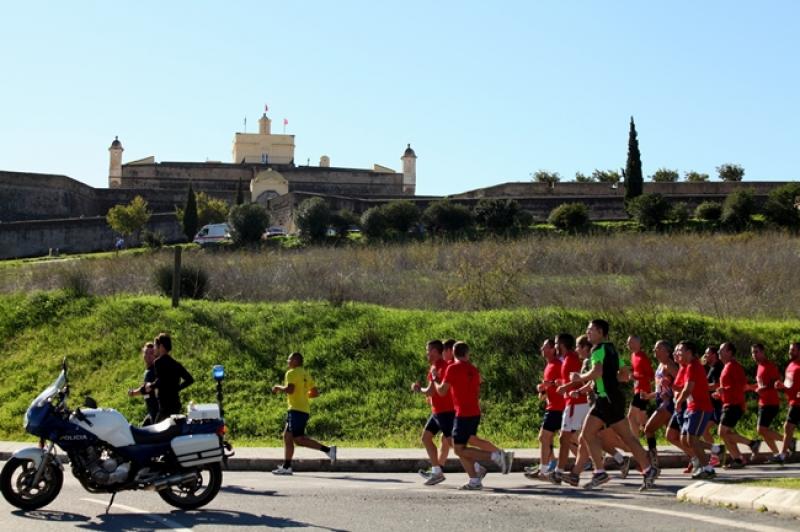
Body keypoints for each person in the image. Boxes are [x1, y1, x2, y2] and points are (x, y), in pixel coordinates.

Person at [564, 319, 657, 490]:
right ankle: (647, 469)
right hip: (612, 398)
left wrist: (580, 378)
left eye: (590, 330)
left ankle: (600, 472)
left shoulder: (597, 350)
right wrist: (609, 379)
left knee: (588, 435)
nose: (588, 332)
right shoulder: (611, 349)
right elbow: (625, 374)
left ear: (600, 332)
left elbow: (597, 371)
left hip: (605, 399)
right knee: (625, 437)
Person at [433, 341, 513, 490]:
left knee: (458, 449)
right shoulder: (474, 369)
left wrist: (436, 379)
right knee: (468, 443)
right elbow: (479, 387)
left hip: (462, 414)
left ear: (453, 352)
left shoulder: (452, 368)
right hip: (474, 412)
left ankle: (497, 457)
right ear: (467, 354)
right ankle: (475, 479)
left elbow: (442, 392)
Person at [271, 352, 336, 475]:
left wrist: (278, 387)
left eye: (289, 359)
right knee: (287, 436)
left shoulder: (291, 373)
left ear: (295, 361)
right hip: (302, 409)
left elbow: (290, 389)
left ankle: (328, 450)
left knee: (298, 439)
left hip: (296, 410)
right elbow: (315, 392)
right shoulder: (305, 373)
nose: (287, 361)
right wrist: (303, 395)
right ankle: (286, 466)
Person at [549, 334, 591, 484]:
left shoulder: (571, 359)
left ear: (561, 344)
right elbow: (571, 380)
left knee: (566, 438)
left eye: (555, 344)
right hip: (573, 402)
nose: (554, 347)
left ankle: (559, 472)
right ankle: (619, 459)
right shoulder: (568, 358)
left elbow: (578, 380)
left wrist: (564, 387)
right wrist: (561, 383)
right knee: (585, 438)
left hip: (576, 403)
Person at [411, 340, 454, 486]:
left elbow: (442, 389)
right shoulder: (433, 367)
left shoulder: (445, 367)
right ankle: (437, 471)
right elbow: (430, 391)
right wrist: (419, 389)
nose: (426, 354)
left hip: (446, 411)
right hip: (437, 412)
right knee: (426, 438)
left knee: (455, 444)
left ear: (435, 352)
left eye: (428, 351)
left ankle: (477, 468)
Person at [674, 341, 716, 480]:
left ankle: (707, 469)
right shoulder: (688, 367)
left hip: (700, 407)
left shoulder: (693, 366)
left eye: (680, 350)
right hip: (692, 407)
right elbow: (683, 387)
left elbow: (688, 389)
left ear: (689, 352)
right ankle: (715, 451)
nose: (678, 353)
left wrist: (679, 401)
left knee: (692, 439)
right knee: (686, 439)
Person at [525, 338, 564, 480]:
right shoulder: (549, 365)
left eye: (545, 346)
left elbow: (565, 381)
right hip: (552, 406)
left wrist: (550, 385)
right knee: (550, 438)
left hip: (558, 407)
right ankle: (548, 466)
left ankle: (545, 470)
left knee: (545, 437)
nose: (542, 348)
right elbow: (549, 385)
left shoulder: (559, 364)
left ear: (553, 349)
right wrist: (542, 390)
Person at [715, 341, 754, 468]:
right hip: (727, 403)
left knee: (722, 432)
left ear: (730, 352)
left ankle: (751, 443)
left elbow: (741, 385)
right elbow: (728, 387)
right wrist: (720, 394)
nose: (719, 353)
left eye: (722, 350)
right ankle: (738, 459)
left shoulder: (734, 366)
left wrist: (724, 390)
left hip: (735, 404)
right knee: (726, 434)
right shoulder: (726, 366)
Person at [642, 340, 677, 468]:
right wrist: (648, 396)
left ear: (667, 352)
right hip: (662, 402)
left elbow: (682, 383)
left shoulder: (670, 365)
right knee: (675, 438)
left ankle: (653, 461)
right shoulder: (660, 365)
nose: (654, 351)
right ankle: (712, 450)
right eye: (654, 348)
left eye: (658, 349)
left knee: (648, 429)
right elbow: (660, 390)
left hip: (668, 405)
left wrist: (671, 393)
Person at [146, 333, 194, 422]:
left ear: (161, 346)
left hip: (165, 407)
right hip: (176, 405)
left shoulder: (158, 362)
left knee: (157, 432)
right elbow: (190, 379)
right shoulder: (176, 364)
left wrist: (150, 386)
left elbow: (160, 381)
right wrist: (177, 388)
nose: (154, 349)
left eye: (155, 346)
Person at [750, 343, 784, 462]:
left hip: (771, 402)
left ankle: (787, 440)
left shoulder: (769, 366)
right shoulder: (759, 366)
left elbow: (776, 382)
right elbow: (760, 385)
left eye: (756, 352)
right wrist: (749, 387)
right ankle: (777, 454)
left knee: (761, 429)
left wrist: (763, 389)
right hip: (762, 402)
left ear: (763, 352)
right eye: (753, 352)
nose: (754, 355)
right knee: (763, 432)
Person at [775, 341, 800, 462]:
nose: (790, 352)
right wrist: (781, 387)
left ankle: (782, 454)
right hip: (794, 402)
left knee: (788, 427)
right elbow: (788, 385)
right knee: (788, 427)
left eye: (793, 350)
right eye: (790, 349)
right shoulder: (790, 366)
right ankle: (782, 455)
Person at [626, 335, 654, 438]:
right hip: (637, 389)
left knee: (631, 416)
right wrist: (631, 374)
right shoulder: (633, 355)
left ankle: (635, 442)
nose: (629, 345)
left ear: (639, 344)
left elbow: (651, 376)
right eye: (628, 343)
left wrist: (636, 377)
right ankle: (651, 441)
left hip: (643, 391)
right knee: (642, 419)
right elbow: (635, 370)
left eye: (632, 343)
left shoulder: (643, 357)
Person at [702, 345, 725, 466]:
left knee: (726, 431)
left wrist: (701, 387)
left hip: (719, 404)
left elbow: (716, 385)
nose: (705, 356)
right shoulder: (711, 367)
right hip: (713, 405)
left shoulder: (717, 367)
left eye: (707, 354)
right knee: (705, 429)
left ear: (714, 355)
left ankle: (750, 444)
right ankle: (715, 455)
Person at [127, 342, 159, 426]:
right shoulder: (149, 370)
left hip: (157, 410)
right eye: (146, 352)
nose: (148, 355)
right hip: (152, 410)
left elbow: (145, 389)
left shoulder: (153, 371)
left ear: (155, 355)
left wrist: (133, 393)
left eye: (151, 353)